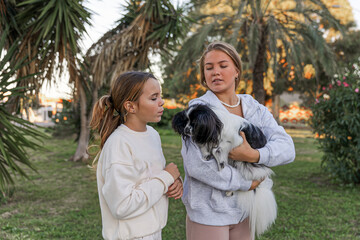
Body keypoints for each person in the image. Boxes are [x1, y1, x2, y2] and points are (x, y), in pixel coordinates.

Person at [181, 41, 295, 240]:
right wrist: (247, 183)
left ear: (236, 71)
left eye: (223, 66)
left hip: (245, 212)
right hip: (210, 214)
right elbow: (198, 167)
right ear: (204, 76)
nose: (216, 72)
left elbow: (287, 148)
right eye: (209, 68)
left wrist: (254, 155)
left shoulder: (254, 107)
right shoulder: (197, 112)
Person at [90, 71, 183, 240]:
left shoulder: (153, 135)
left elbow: (151, 179)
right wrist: (165, 178)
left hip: (154, 232)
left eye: (160, 96)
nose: (161, 102)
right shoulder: (119, 144)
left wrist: (172, 183)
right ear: (130, 106)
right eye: (153, 98)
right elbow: (122, 205)